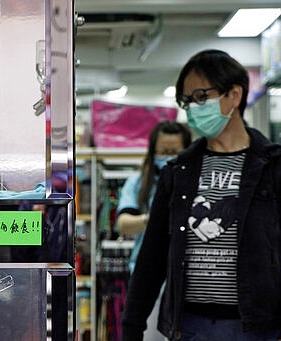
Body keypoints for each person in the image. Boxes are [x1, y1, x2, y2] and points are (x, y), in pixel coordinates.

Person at [121, 49, 281, 341]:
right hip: (190, 326)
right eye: (186, 100)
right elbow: (152, 255)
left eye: (200, 97)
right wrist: (132, 326)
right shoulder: (179, 171)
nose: (192, 108)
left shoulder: (272, 167)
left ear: (233, 95)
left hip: (257, 327)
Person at [117, 120, 192, 273]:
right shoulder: (138, 182)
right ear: (153, 151)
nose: (169, 157)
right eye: (163, 152)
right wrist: (154, 219)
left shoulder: (196, 181)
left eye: (175, 152)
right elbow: (123, 224)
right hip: (147, 266)